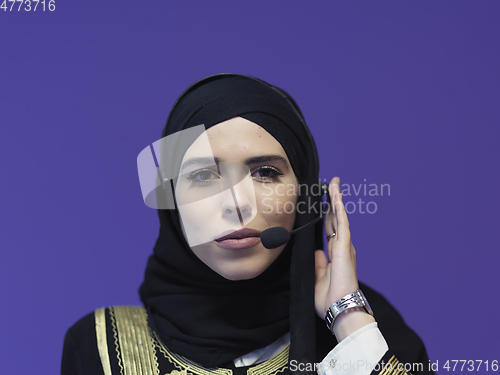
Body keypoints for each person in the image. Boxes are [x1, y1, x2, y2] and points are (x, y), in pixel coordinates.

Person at [61, 74, 434, 375]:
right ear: (172, 197)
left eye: (266, 172)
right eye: (205, 175)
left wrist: (349, 320)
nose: (237, 203)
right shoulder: (99, 347)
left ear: (304, 192)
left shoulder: (377, 336)